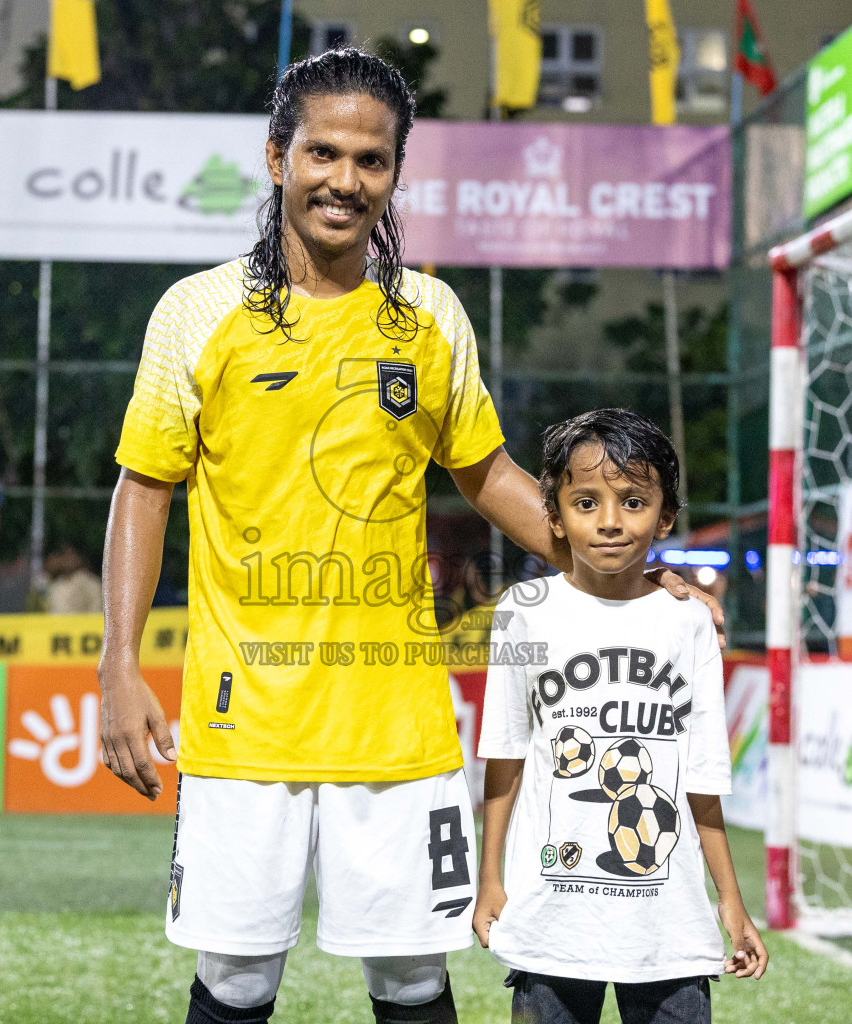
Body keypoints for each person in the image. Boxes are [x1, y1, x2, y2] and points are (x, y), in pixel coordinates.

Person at [98, 48, 725, 1024]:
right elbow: (145, 488)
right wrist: (117, 663)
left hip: (396, 723)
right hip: (240, 719)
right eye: (324, 152)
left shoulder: (429, 317)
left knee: (410, 980)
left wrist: (628, 576)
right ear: (277, 157)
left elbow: (490, 475)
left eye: (372, 160)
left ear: (394, 172)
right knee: (235, 980)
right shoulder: (198, 312)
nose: (345, 179)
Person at [472, 409, 766, 1024]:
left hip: (667, 923)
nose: (609, 521)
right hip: (551, 912)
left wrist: (730, 901)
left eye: (633, 502)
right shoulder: (523, 612)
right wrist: (490, 877)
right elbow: (505, 752)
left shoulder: (688, 621)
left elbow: (702, 776)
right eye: (585, 502)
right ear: (552, 513)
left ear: (664, 516)